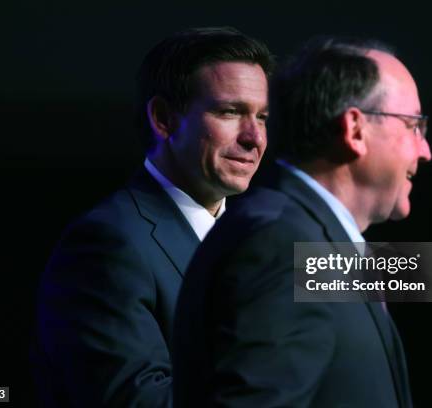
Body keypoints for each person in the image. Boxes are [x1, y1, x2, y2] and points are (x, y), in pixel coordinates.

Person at [173, 37, 432, 408]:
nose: (425, 151)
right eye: (413, 126)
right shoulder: (281, 243)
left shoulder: (307, 238)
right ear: (355, 129)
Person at [33, 27, 273, 407]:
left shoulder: (257, 234)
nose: (254, 138)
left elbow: (379, 275)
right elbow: (137, 401)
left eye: (261, 117)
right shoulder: (108, 242)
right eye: (230, 111)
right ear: (163, 119)